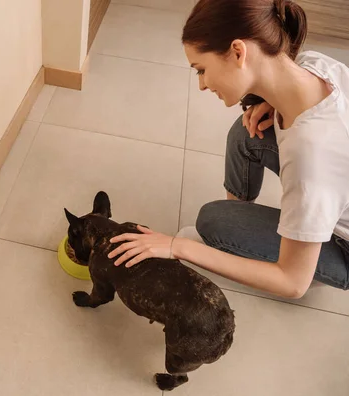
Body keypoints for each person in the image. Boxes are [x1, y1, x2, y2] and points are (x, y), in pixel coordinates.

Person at [107, 0, 349, 299]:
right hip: (337, 188)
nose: (202, 85)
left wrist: (177, 247)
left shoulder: (311, 158)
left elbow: (292, 283)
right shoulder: (316, 66)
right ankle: (243, 238)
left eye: (201, 70)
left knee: (213, 221)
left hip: (344, 247)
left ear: (238, 52)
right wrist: (272, 102)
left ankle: (256, 249)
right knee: (247, 132)